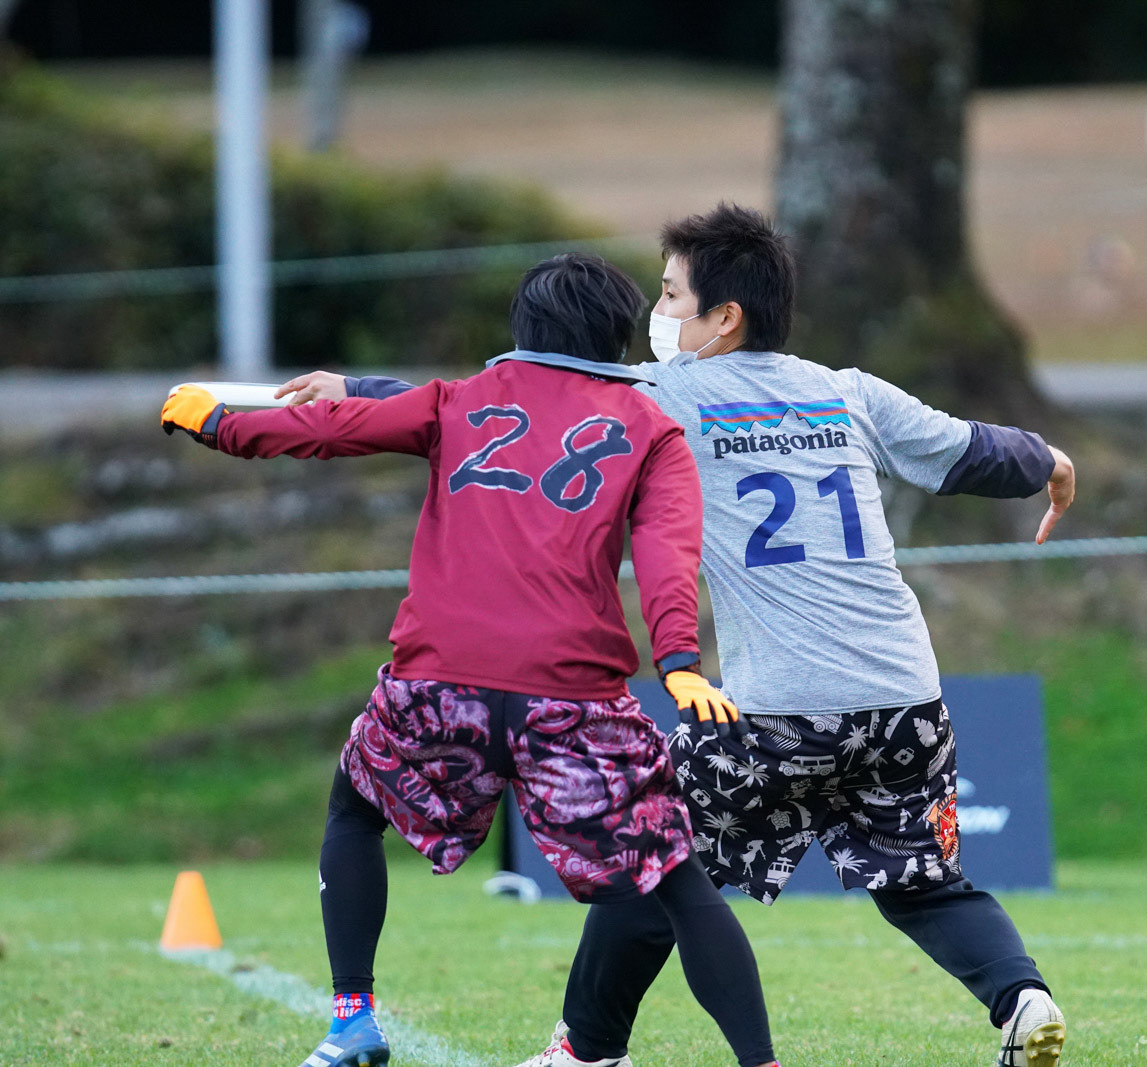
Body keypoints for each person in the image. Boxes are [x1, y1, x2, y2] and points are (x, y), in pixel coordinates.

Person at [282, 204, 1076, 1067]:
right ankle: (1021, 994)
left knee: (646, 852)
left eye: (669, 295)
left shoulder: (661, 396)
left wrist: (356, 392)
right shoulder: (849, 391)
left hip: (775, 709)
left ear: (724, 317)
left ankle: (586, 1049)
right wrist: (1049, 460)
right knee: (922, 881)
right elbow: (971, 452)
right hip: (905, 697)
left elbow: (500, 406)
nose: (655, 314)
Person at [161, 252, 781, 1067]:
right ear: (616, 333)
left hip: (437, 685)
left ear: (523, 326)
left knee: (355, 811)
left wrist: (217, 422)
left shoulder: (459, 400)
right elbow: (669, 553)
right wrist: (680, 663)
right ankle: (761, 1063)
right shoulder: (652, 428)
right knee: (674, 878)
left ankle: (351, 1018)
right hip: (571, 700)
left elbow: (328, 429)